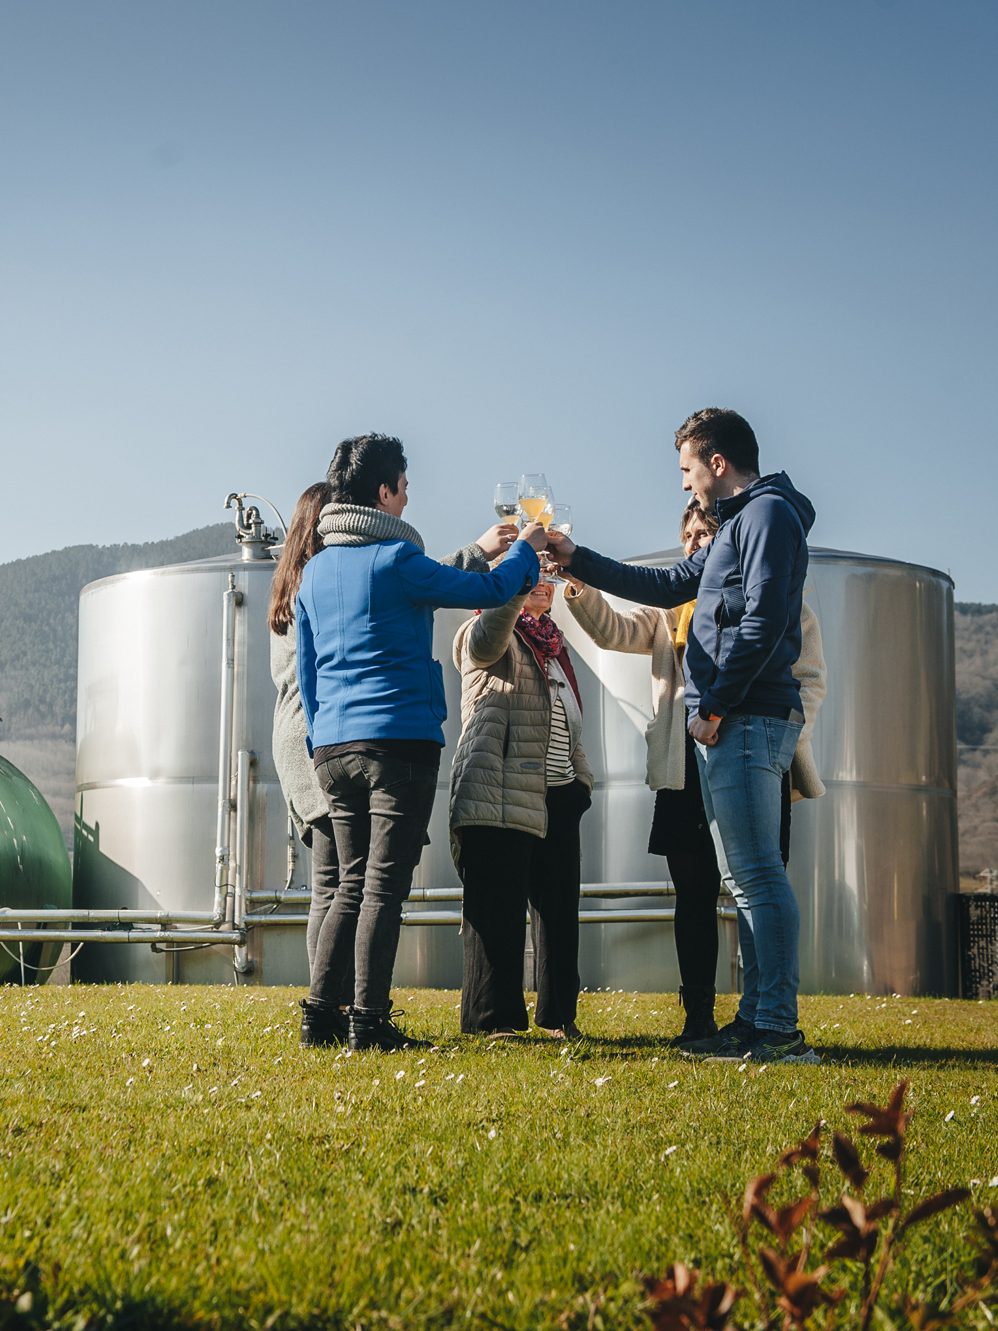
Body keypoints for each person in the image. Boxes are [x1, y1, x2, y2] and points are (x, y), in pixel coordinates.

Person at [548, 407, 821, 1064]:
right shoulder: (736, 527)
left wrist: (716, 705)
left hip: (748, 717)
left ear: (717, 463)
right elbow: (666, 584)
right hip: (737, 719)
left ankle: (778, 1027)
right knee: (747, 875)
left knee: (757, 874)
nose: (684, 483)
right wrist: (574, 557)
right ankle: (756, 1019)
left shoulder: (766, 517)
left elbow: (762, 621)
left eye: (686, 468)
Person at [296, 433, 547, 1052]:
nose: (409, 496)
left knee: (350, 883)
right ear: (384, 493)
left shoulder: (316, 569)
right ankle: (368, 1021)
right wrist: (529, 550)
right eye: (404, 485)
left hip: (331, 746)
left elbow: (307, 671)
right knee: (383, 885)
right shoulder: (393, 559)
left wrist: (319, 737)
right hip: (397, 743)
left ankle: (319, 1017)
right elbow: (489, 593)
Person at [450, 572, 594, 1039]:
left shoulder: (556, 646)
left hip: (557, 794)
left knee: (558, 913)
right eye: (531, 576)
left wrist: (580, 781)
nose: (542, 584)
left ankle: (558, 1017)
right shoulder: (483, 629)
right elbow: (489, 638)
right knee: (497, 908)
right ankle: (495, 1021)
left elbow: (571, 720)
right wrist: (513, 580)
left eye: (547, 577)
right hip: (500, 787)